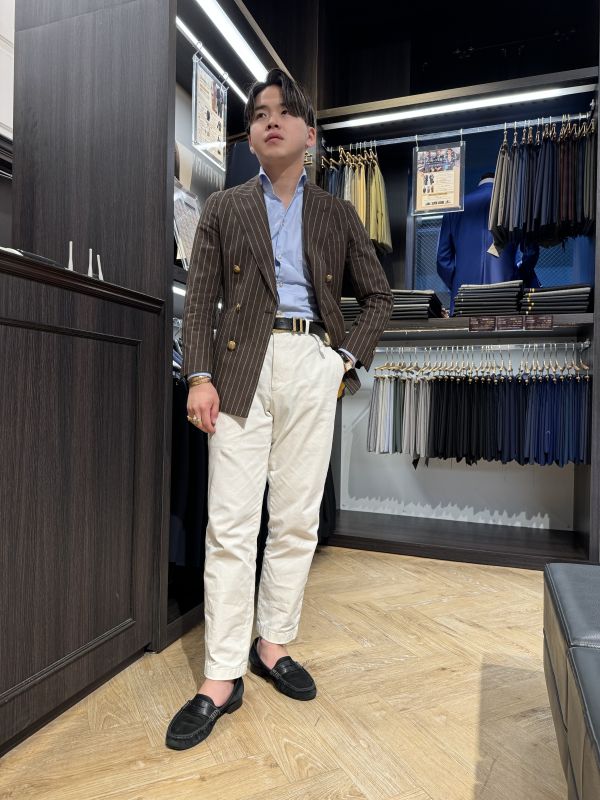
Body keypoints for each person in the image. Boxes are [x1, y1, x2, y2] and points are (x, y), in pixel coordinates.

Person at [166, 68, 393, 751]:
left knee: (295, 519)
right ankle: (220, 675)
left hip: (311, 363)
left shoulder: (337, 213)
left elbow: (378, 297)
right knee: (230, 523)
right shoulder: (224, 207)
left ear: (309, 134)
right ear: (251, 134)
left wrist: (343, 362)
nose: (271, 120)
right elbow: (201, 300)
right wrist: (198, 376)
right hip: (239, 364)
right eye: (260, 112)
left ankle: (273, 643)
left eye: (285, 111)